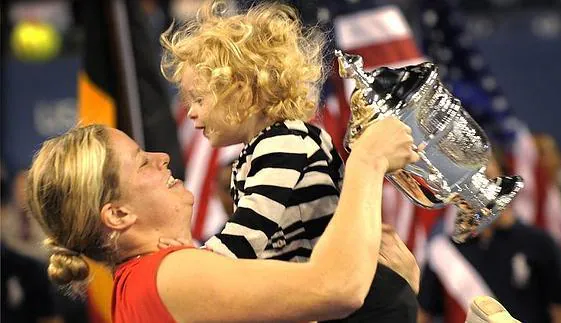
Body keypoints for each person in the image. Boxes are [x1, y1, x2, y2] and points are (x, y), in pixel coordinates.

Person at [160, 1, 419, 321]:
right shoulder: (273, 143)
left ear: (240, 92)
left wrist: (192, 268)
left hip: (366, 305)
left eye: (199, 98)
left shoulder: (282, 143)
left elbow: (251, 231)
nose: (191, 112)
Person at [25, 119, 419, 322]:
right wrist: (368, 159)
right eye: (143, 163)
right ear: (118, 214)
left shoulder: (150, 281)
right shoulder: (166, 276)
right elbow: (337, 289)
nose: (162, 157)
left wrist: (396, 290)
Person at [417, 154, 561, 323]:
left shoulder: (539, 243)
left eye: (487, 178)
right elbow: (423, 314)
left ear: (504, 181)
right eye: (469, 182)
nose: (478, 189)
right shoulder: (445, 250)